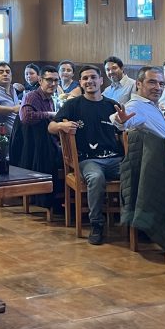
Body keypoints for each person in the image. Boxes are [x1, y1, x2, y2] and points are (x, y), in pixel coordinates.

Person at [49, 65, 124, 245]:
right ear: (80, 83)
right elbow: (51, 127)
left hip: (115, 159)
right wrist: (62, 126)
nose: (89, 81)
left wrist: (124, 125)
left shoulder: (112, 105)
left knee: (136, 172)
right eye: (85, 78)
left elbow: (124, 131)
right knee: (96, 178)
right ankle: (96, 224)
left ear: (101, 80)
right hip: (88, 160)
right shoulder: (72, 105)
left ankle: (133, 222)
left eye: (93, 77)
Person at [110, 67, 165, 192]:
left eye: (161, 84)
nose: (158, 87)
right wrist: (120, 121)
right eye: (152, 82)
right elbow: (119, 119)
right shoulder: (136, 105)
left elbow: (163, 132)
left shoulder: (150, 104)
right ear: (138, 84)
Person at [17, 65, 63, 208]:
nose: (53, 84)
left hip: (44, 143)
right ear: (40, 80)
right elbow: (26, 117)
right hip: (34, 149)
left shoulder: (50, 98)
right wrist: (49, 114)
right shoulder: (32, 96)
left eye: (56, 80)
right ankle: (56, 200)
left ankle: (64, 199)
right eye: (49, 80)